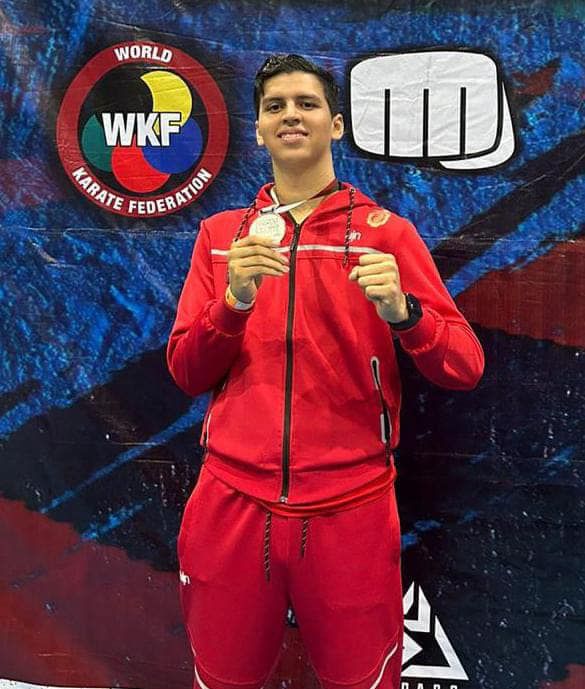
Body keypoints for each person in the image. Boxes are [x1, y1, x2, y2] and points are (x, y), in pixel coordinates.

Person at [167, 53, 484, 689]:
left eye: (307, 103)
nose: (291, 115)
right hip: (231, 502)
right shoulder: (223, 238)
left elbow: (464, 366)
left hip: (352, 508)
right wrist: (232, 303)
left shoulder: (387, 235)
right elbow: (185, 371)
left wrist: (405, 313)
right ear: (258, 129)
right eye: (275, 106)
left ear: (336, 124)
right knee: (222, 680)